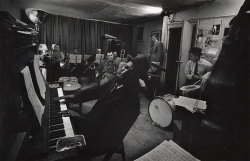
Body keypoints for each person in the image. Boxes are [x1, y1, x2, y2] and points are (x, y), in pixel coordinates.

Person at [55, 54, 150, 157]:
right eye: (124, 66)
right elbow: (98, 90)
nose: (122, 69)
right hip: (91, 123)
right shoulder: (118, 81)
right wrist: (75, 96)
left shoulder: (131, 101)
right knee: (62, 120)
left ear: (134, 74)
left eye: (126, 68)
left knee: (59, 136)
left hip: (97, 139)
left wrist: (79, 117)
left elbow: (106, 128)